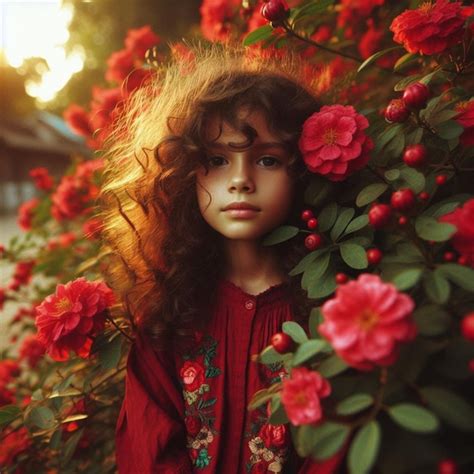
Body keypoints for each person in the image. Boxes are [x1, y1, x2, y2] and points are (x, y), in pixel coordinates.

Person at [100, 44, 344, 473]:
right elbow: (148, 450)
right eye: (216, 160)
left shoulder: (333, 309)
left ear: (303, 168)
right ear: (182, 173)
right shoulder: (169, 312)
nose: (240, 181)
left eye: (267, 159)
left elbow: (338, 448)